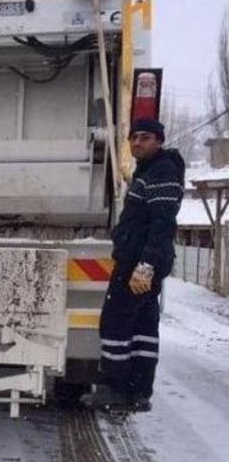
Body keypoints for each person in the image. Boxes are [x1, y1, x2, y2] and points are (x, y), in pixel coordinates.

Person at [81, 118, 185, 413]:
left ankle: (116, 388)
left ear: (159, 141)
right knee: (142, 327)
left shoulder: (162, 170)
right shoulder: (153, 169)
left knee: (115, 322)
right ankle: (139, 390)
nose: (137, 142)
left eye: (145, 137)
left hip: (139, 263)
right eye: (134, 138)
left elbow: (162, 221)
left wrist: (146, 264)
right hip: (141, 260)